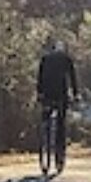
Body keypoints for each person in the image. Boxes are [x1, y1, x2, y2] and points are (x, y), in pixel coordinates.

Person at [35, 40, 80, 173]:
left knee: (46, 117)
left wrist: (39, 93)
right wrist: (76, 94)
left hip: (47, 94)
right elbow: (72, 78)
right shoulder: (66, 59)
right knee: (61, 125)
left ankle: (44, 140)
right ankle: (59, 158)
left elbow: (39, 77)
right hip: (61, 94)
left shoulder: (45, 59)